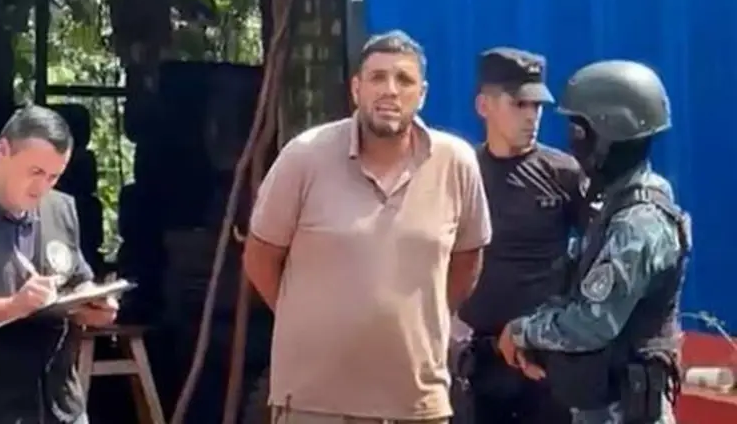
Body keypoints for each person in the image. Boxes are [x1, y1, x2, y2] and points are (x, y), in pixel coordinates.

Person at [243, 30, 492, 424]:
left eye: (404, 80)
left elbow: (467, 261)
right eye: (377, 78)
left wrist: (419, 320)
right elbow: (260, 257)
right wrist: (308, 319)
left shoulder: (455, 163)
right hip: (315, 402)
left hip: (417, 402)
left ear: (422, 94)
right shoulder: (305, 157)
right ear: (356, 89)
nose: (390, 90)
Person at [497, 60, 691, 424]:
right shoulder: (616, 207)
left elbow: (593, 322)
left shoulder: (638, 224)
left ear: (607, 136)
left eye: (579, 131)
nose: (573, 144)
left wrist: (522, 332)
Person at [0, 105, 119, 423]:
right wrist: (12, 307)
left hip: (59, 403)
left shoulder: (59, 208)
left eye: (54, 176)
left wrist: (92, 303)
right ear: (3, 150)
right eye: (35, 172)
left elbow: (76, 277)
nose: (42, 187)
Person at [456, 47, 582, 424]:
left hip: (543, 362)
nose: (532, 116)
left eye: (537, 106)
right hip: (479, 362)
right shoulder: (463, 172)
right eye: (519, 104)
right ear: (484, 106)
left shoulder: (564, 173)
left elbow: (597, 255)